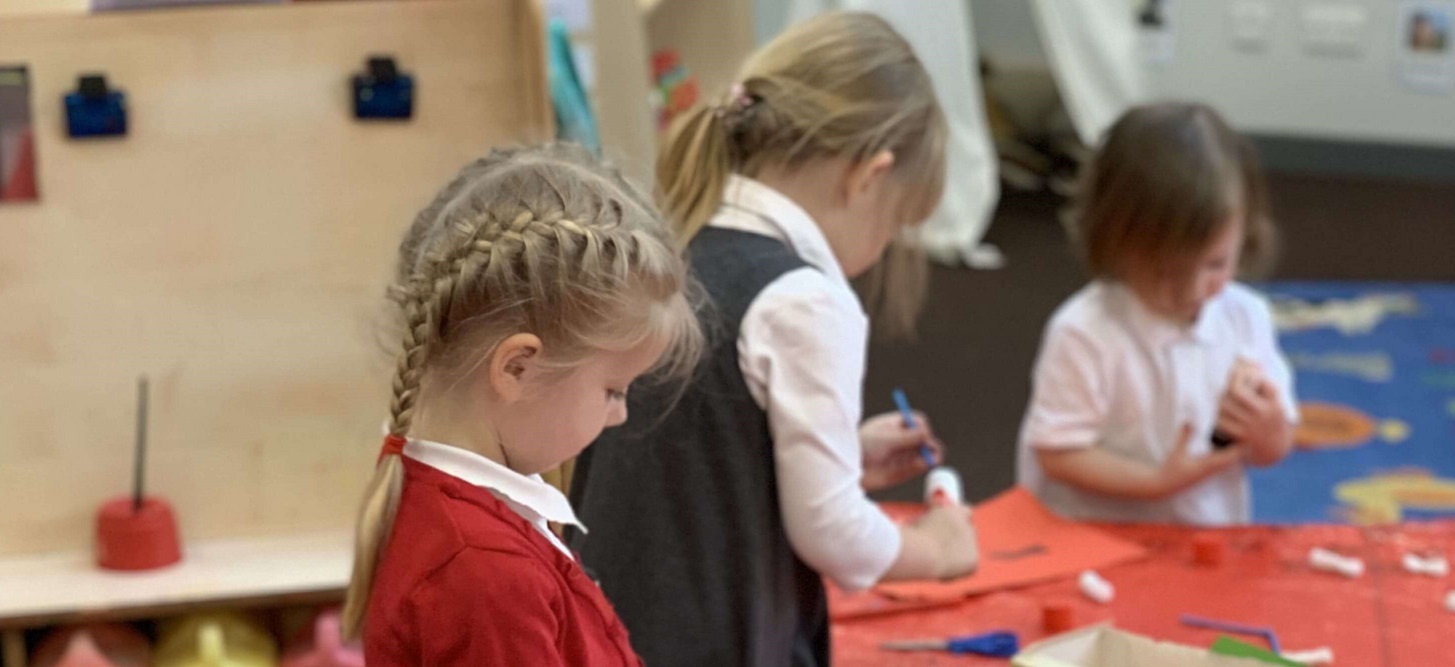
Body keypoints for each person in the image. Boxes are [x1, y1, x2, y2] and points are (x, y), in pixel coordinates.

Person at [570, 12, 978, 666]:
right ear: (868, 177)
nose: (883, 249)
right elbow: (832, 531)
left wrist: (842, 455)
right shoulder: (802, 299)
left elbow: (691, 457)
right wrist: (936, 546)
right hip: (713, 641)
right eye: (897, 224)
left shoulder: (673, 241)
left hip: (600, 630)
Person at [341, 144, 703, 666]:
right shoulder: (486, 572)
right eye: (613, 390)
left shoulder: (466, 520)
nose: (620, 415)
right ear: (517, 368)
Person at [1018, 102, 1298, 525]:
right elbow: (1057, 453)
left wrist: (1268, 431)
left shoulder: (1246, 317)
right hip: (1090, 535)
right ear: (1115, 241)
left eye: (1216, 264)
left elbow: (1271, 449)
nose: (1193, 290)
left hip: (1203, 534)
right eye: (1169, 272)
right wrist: (1156, 483)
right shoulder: (1084, 331)